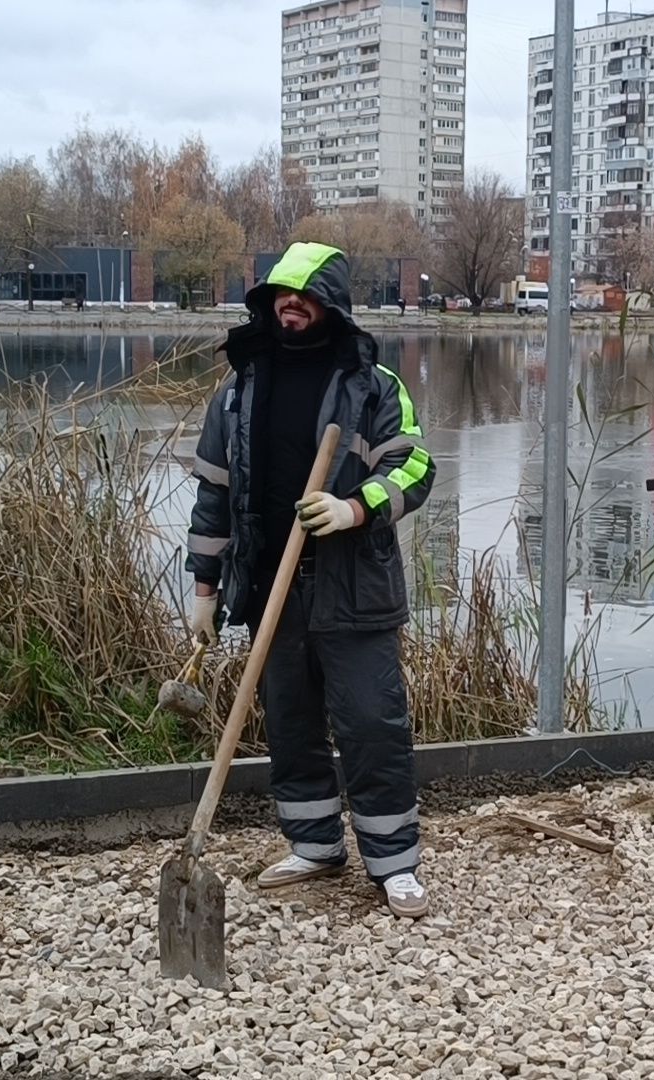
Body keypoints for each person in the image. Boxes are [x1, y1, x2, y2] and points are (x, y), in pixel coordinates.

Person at [185, 241, 436, 919]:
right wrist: (203, 589)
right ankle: (316, 844)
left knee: (371, 723)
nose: (288, 307)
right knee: (291, 726)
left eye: (303, 296)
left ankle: (394, 863)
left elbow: (415, 470)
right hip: (269, 587)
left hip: (354, 588)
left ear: (331, 305)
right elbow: (213, 495)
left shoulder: (375, 386)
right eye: (277, 297)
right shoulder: (238, 392)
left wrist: (354, 507)